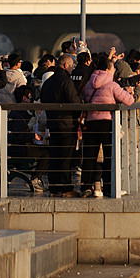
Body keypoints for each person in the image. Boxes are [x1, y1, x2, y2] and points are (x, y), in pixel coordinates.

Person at [81, 55, 134, 198]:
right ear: (107, 69)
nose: (113, 70)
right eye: (112, 68)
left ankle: (86, 187)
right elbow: (129, 101)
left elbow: (85, 100)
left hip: (90, 123)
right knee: (109, 157)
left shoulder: (88, 84)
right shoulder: (112, 85)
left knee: (89, 157)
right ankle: (110, 187)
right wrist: (130, 92)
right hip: (106, 123)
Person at [40, 54, 81, 197]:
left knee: (55, 156)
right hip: (67, 123)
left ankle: (53, 188)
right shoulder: (66, 81)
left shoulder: (48, 82)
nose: (72, 69)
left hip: (53, 123)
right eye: (71, 66)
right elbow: (74, 101)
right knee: (65, 157)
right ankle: (65, 189)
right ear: (65, 65)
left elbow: (43, 99)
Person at [7, 85, 49, 193]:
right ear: (24, 98)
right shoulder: (18, 114)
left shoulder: (18, 113)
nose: (32, 101)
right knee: (47, 152)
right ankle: (35, 178)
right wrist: (32, 135)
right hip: (18, 149)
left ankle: (36, 177)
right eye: (30, 98)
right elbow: (17, 136)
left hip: (17, 147)